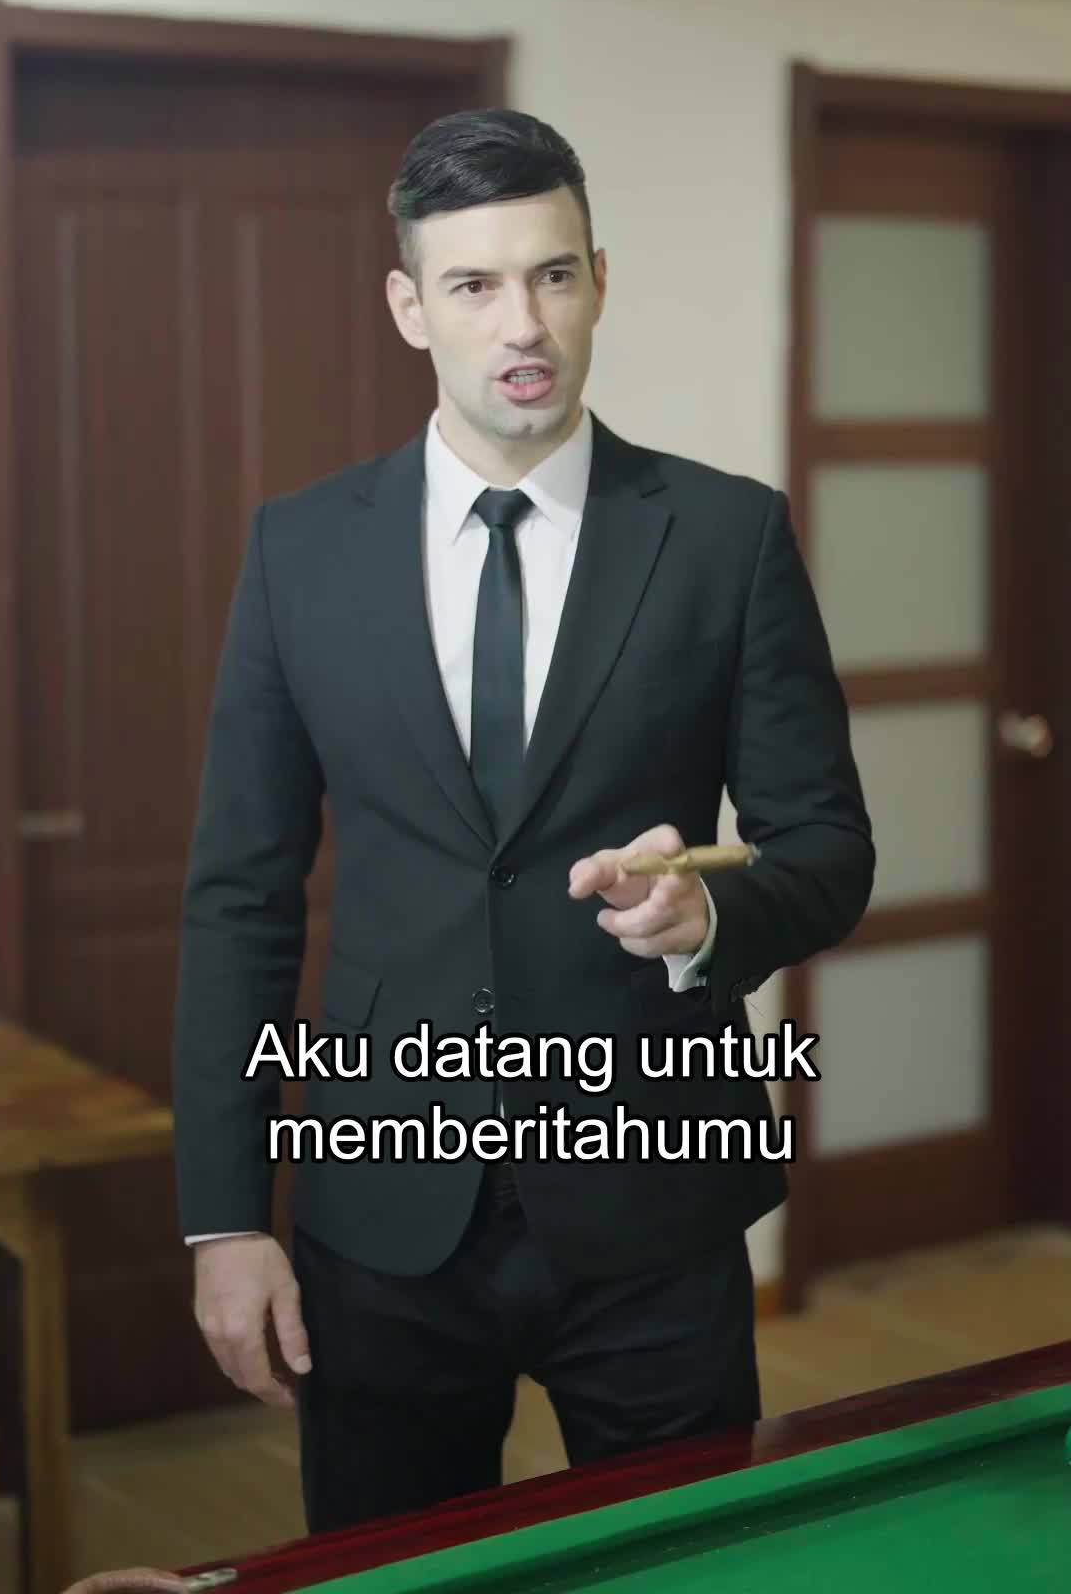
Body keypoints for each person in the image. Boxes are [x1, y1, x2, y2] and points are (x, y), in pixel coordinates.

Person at [172, 108, 874, 1534]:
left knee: (687, 1562)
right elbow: (241, 894)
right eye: (475, 284)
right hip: (384, 1206)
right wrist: (227, 1216)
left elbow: (828, 850)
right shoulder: (301, 550)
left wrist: (713, 914)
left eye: (553, 275)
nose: (523, 324)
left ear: (599, 281)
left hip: (654, 1199)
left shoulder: (726, 537)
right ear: (409, 305)